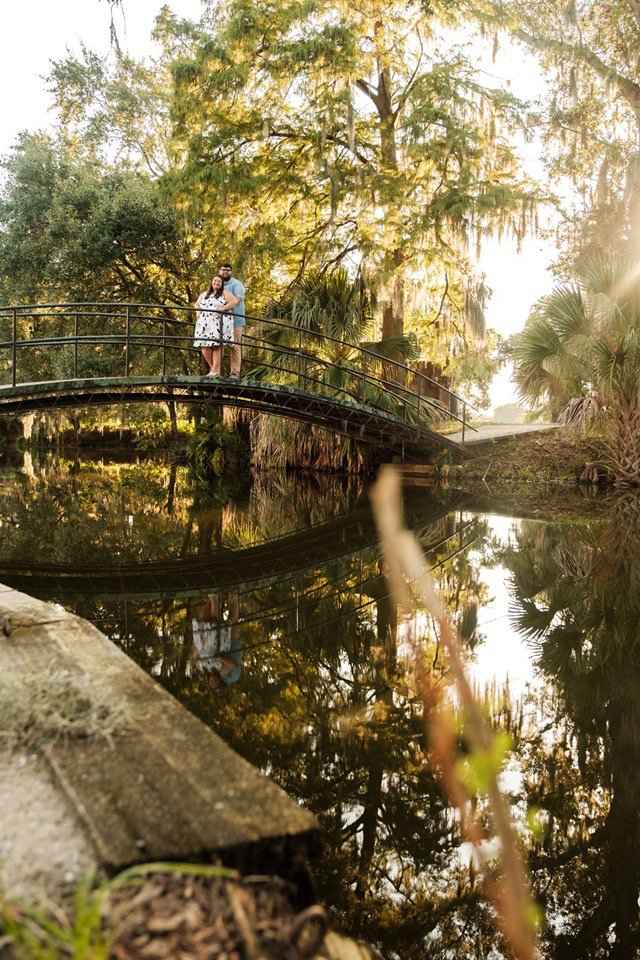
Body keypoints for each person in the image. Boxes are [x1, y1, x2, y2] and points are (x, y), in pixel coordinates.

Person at [190, 594, 242, 687]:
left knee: (205, 619)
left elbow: (195, 656)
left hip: (205, 644)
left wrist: (194, 657)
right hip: (221, 644)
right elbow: (231, 664)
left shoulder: (203, 668)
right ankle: (226, 596)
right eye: (215, 683)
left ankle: (213, 598)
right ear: (219, 681)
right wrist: (218, 657)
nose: (213, 681)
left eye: (211, 683)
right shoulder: (222, 671)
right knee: (218, 622)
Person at [194, 276, 239, 376]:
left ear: (222, 284)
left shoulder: (224, 293)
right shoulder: (204, 294)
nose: (217, 282)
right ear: (211, 282)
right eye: (215, 280)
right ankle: (214, 370)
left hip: (218, 323)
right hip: (204, 324)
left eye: (219, 281)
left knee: (216, 346)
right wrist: (198, 312)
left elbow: (234, 301)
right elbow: (196, 304)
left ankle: (215, 371)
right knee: (204, 347)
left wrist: (223, 308)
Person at [218, 263, 246, 377]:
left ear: (231, 272)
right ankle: (216, 371)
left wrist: (223, 308)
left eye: (228, 270)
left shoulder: (237, 284)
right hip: (220, 320)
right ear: (219, 271)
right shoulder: (217, 283)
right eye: (223, 270)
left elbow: (237, 300)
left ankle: (235, 372)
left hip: (236, 320)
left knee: (235, 346)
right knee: (218, 345)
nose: (225, 272)